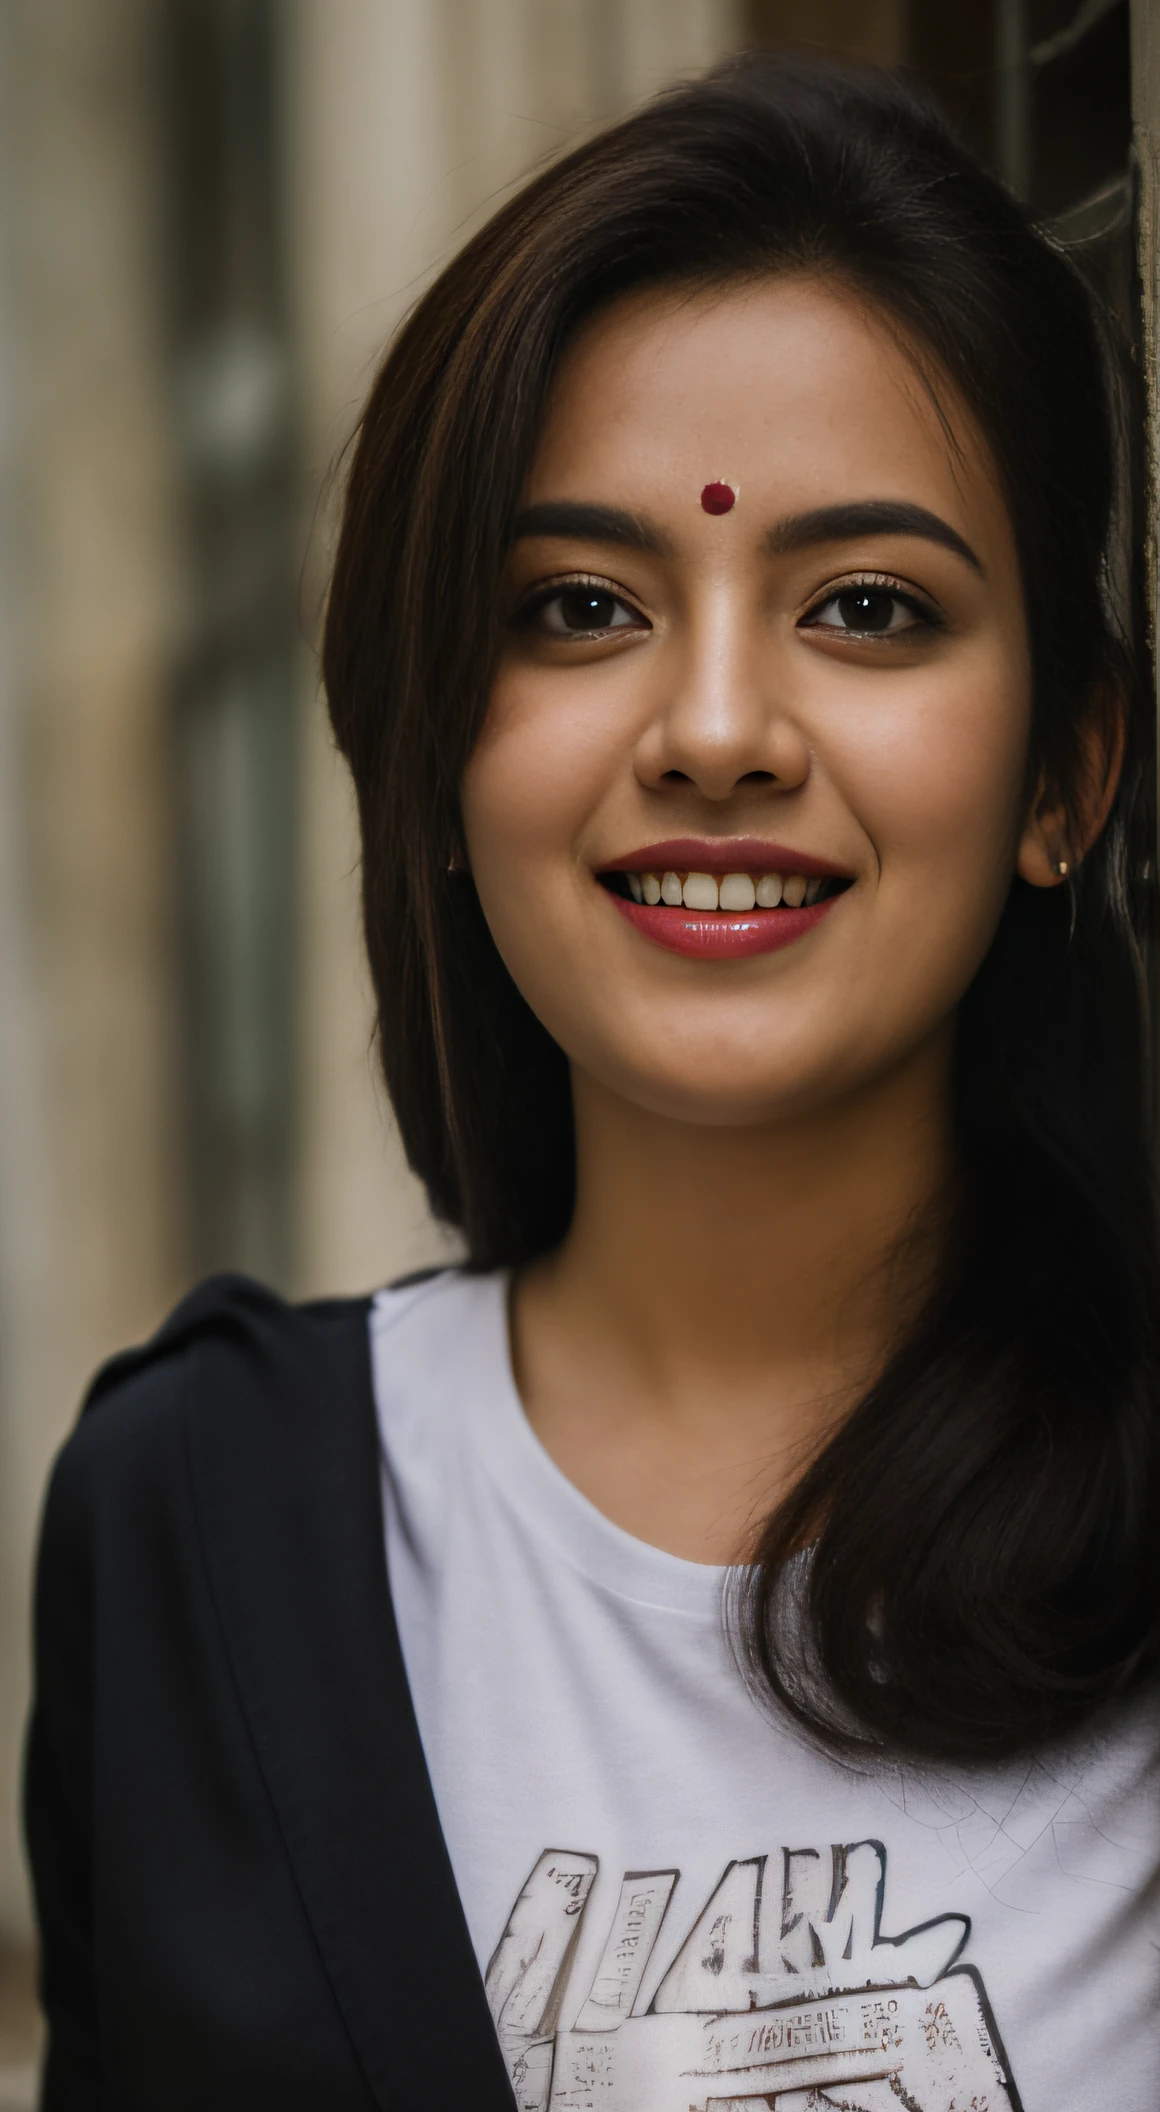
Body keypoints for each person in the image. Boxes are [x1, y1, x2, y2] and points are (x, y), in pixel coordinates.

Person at [24, 51, 1160, 2112]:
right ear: (439, 764)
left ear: (1062, 779)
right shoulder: (188, 1531)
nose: (714, 726)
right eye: (577, 608)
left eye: (866, 607)